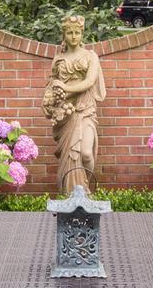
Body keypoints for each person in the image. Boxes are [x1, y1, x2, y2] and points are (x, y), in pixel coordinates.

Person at [42, 14, 106, 196]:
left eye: (77, 32)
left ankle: (87, 189)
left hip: (85, 110)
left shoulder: (91, 56)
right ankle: (70, 193)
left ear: (82, 34)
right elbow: (52, 85)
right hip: (65, 113)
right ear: (64, 35)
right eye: (69, 32)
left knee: (86, 153)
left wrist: (65, 87)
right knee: (68, 157)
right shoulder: (58, 59)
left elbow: (89, 82)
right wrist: (49, 98)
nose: (73, 36)